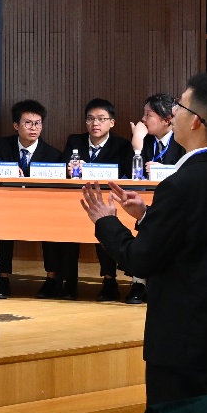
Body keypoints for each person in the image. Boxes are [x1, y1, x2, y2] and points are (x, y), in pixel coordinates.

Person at [81, 72, 207, 405]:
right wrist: (147, 215)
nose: (173, 112)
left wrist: (106, 222)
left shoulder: (179, 185)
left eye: (180, 106)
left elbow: (140, 260)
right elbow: (200, 236)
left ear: (196, 121)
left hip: (182, 338)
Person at [57, 98, 133, 301]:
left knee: (105, 230)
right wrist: (68, 169)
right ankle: (69, 282)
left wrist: (91, 169)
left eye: (101, 119)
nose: (95, 123)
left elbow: (126, 174)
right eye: (90, 119)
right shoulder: (75, 141)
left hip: (106, 200)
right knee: (68, 231)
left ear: (112, 122)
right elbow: (62, 170)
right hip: (76, 199)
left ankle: (109, 281)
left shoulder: (121, 145)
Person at [0, 100, 65, 299]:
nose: (33, 128)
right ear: (16, 125)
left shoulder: (53, 154)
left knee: (53, 222)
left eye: (38, 123)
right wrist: (8, 171)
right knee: (2, 222)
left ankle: (51, 279)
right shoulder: (2, 146)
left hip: (41, 208)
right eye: (28, 123)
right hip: (8, 204)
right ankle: (3, 278)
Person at [123, 94, 186, 304]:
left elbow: (189, 172)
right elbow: (129, 173)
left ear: (167, 119)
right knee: (136, 223)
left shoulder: (182, 140)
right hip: (144, 201)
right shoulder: (144, 140)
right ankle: (138, 282)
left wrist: (164, 170)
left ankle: (163, 281)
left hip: (174, 202)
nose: (143, 120)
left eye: (148, 115)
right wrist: (138, 144)